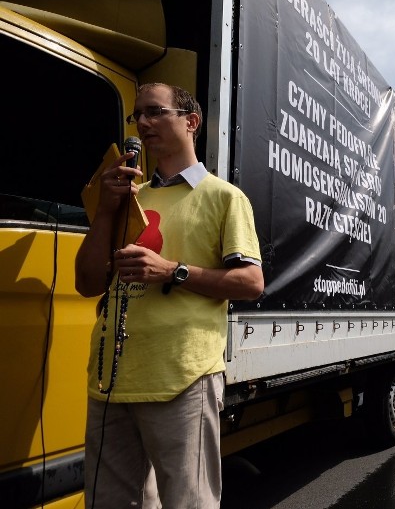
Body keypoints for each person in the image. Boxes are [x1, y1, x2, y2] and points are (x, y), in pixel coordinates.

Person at [75, 83, 264, 508]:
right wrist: (106, 208)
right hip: (111, 380)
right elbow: (87, 284)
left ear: (191, 122)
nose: (142, 123)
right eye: (137, 115)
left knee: (188, 502)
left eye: (155, 112)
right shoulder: (126, 195)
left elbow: (251, 283)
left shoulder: (223, 197)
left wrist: (172, 271)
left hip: (183, 377)